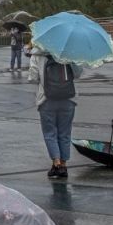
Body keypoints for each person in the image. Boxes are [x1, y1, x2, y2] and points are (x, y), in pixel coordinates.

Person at [28, 46, 84, 178]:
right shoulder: (70, 52)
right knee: (65, 133)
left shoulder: (37, 54)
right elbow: (77, 74)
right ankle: (63, 165)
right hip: (68, 99)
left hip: (47, 99)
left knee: (50, 133)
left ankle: (56, 163)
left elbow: (33, 77)